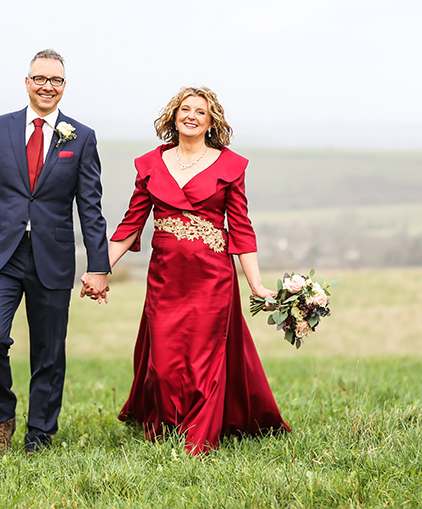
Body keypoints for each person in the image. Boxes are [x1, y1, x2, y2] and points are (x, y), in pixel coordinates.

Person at [85, 85, 289, 455]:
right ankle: (166, 427)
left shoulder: (230, 165)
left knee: (204, 360)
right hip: (166, 276)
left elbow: (241, 226)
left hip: (212, 277)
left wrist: (255, 284)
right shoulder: (149, 165)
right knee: (163, 360)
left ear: (211, 121)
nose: (191, 116)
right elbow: (130, 224)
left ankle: (200, 436)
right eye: (185, 109)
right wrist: (100, 270)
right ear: (174, 116)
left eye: (200, 111)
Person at [0, 49, 110, 454]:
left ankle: (39, 435)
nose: (47, 87)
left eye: (55, 80)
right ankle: (3, 418)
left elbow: (90, 207)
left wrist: (99, 266)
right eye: (40, 79)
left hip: (52, 257)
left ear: (64, 86)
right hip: (0, 253)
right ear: (27, 82)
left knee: (49, 352)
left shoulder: (81, 136)